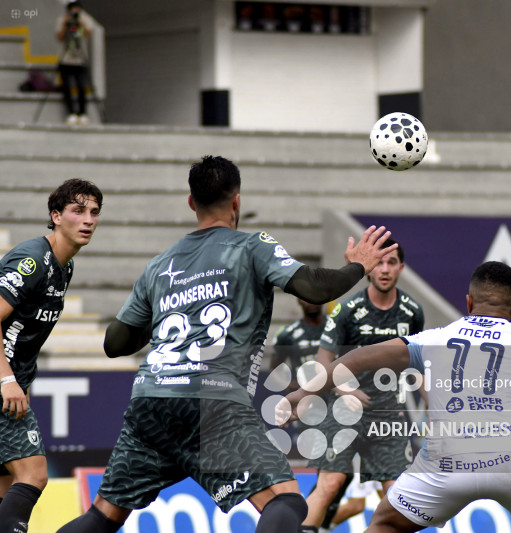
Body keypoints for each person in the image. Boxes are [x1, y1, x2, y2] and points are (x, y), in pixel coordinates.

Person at [56, 155, 399, 533]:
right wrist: (358, 266)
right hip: (213, 403)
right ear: (237, 200)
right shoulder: (251, 246)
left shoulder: (160, 265)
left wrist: (172, 308)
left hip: (150, 402)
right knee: (285, 500)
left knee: (103, 514)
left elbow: (114, 342)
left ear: (192, 202)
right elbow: (316, 289)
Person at [286, 261, 511, 533]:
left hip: (446, 463)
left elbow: (358, 358)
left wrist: (304, 392)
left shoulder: (435, 339)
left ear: (468, 302)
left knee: (385, 525)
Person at [301, 239, 424, 533]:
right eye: (379, 262)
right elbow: (321, 364)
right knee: (330, 484)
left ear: (401, 268)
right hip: (343, 411)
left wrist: (435, 411)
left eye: (391, 262)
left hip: (388, 416)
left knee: (398, 496)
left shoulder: (412, 313)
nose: (384, 269)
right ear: (369, 268)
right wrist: (345, 390)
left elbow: (422, 366)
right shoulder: (346, 309)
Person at [0, 179, 102, 533]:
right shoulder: (31, 261)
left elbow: (27, 333)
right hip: (1, 382)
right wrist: (7, 379)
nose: (88, 219)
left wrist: (24, 379)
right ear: (56, 216)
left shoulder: (65, 266)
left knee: (5, 486)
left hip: (13, 383)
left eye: (93, 212)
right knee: (33, 474)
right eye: (78, 211)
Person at [271, 298, 327, 392]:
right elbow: (274, 369)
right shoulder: (288, 334)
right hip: (305, 397)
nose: (311, 302)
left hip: (335, 394)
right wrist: (285, 384)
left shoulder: (337, 327)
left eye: (315, 296)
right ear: (299, 300)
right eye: (306, 298)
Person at [55, 1, 93, 126]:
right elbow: (59, 38)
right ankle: (71, 113)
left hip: (80, 59)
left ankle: (82, 113)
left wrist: (80, 23)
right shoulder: (63, 20)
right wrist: (66, 25)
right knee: (67, 88)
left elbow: (89, 33)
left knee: (81, 87)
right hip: (66, 59)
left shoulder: (85, 20)